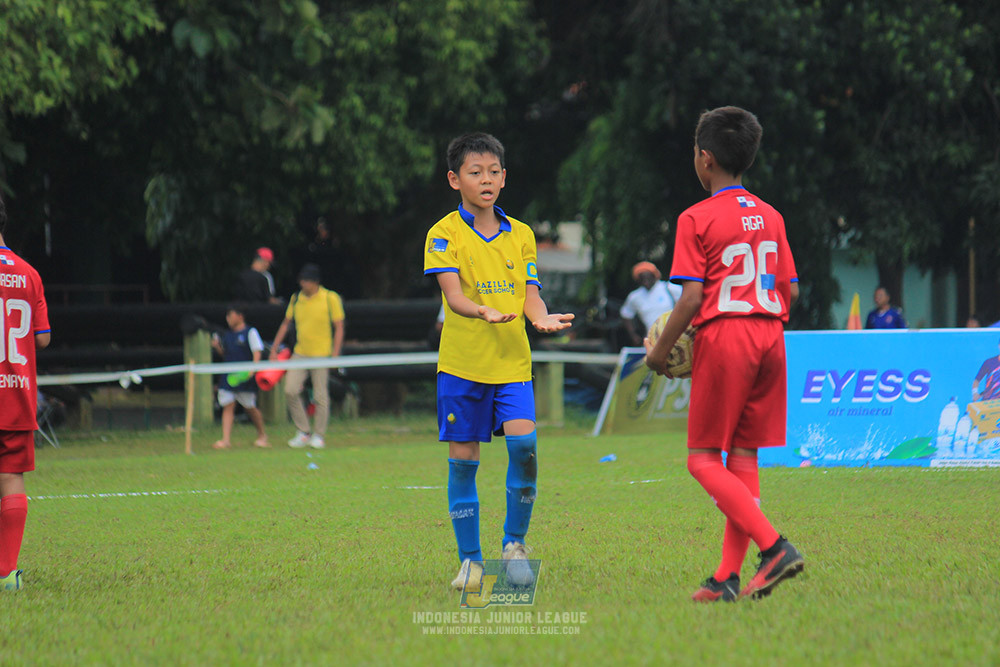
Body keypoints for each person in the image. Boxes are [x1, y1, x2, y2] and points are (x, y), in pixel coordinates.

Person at [644, 106, 803, 602]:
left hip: (727, 337)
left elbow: (691, 298)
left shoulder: (696, 216)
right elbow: (790, 293)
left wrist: (660, 352)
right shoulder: (772, 215)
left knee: (701, 460)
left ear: (705, 159)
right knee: (742, 457)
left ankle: (774, 547)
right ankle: (726, 578)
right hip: (770, 336)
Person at [423, 132, 574, 592]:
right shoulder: (443, 234)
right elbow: (453, 296)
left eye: (493, 172)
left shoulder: (523, 235)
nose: (485, 180)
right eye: (475, 172)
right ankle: (470, 562)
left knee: (524, 449)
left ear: (504, 178)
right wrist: (481, 309)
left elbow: (531, 297)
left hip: (512, 366)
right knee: (463, 461)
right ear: (455, 179)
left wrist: (542, 318)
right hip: (462, 366)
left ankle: (514, 546)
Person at [0, 192, 51, 591]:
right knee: (11, 476)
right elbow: (43, 339)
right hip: (15, 394)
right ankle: (6, 574)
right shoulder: (28, 273)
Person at [270, 263, 345, 449]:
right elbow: (286, 324)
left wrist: (335, 354)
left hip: (322, 354)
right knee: (290, 390)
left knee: (320, 395)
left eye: (308, 281)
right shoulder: (296, 299)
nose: (304, 285)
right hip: (300, 353)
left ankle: (319, 435)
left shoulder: (330, 298)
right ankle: (303, 431)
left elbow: (339, 327)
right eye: (302, 281)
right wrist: (274, 348)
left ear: (316, 282)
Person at [210, 304, 269, 450]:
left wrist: (252, 370)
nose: (228, 318)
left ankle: (262, 435)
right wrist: (217, 347)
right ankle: (225, 440)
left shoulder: (251, 332)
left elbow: (257, 351)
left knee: (250, 407)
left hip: (245, 377)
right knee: (228, 406)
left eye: (231, 315)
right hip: (229, 376)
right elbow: (226, 354)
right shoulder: (227, 335)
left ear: (240, 316)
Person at [620, 261, 683, 346]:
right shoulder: (635, 296)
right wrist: (634, 336)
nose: (645, 281)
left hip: (675, 338)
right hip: (652, 341)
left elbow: (690, 302)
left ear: (654, 276)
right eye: (642, 278)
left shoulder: (669, 288)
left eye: (648, 277)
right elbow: (626, 314)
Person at [971, 336, 1000, 402]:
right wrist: (975, 393)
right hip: (988, 402)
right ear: (999, 346)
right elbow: (977, 380)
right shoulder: (989, 362)